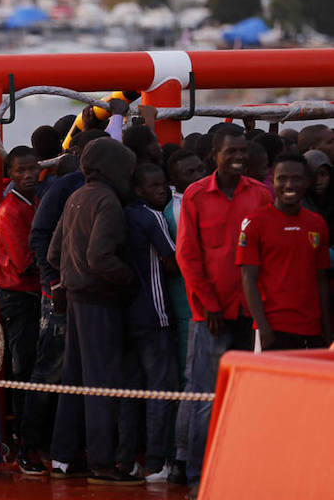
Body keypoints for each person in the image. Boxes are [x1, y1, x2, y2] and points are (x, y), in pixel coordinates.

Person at [176, 124, 272, 499]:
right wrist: (210, 305)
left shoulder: (261, 195)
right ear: (213, 156)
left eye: (242, 151)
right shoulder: (196, 196)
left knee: (242, 395)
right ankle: (199, 473)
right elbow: (188, 255)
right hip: (210, 315)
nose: (238, 157)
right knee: (204, 396)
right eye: (230, 151)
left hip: (251, 315)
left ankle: (236, 467)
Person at [47, 137, 141, 485]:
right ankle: (102, 463)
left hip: (74, 299)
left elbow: (54, 254)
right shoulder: (107, 200)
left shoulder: (75, 196)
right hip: (99, 301)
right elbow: (100, 257)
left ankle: (62, 458)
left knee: (73, 379)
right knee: (102, 381)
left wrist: (72, 276)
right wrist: (129, 279)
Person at [118, 163, 178, 481]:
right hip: (155, 314)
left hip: (126, 313)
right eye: (155, 186)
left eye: (163, 185)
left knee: (130, 391)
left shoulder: (121, 213)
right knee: (160, 388)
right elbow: (170, 261)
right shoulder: (152, 216)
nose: (163, 191)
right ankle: (156, 463)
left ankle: (126, 460)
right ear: (139, 189)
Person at [238, 153, 331, 350]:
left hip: (311, 330)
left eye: (296, 179)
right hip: (273, 329)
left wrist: (327, 328)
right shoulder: (255, 223)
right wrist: (263, 329)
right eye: (282, 178)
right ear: (273, 181)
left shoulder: (317, 223)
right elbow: (248, 278)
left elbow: (322, 278)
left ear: (307, 182)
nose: (289, 185)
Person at [0, 146, 43, 474]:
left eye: (32, 169)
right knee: (24, 370)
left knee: (34, 370)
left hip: (31, 297)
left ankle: (30, 440)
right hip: (18, 298)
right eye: (21, 170)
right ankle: (23, 445)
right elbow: (25, 263)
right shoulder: (11, 211)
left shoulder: (32, 203)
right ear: (10, 174)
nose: (28, 175)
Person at [162, 148, 206, 485]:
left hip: (195, 308)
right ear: (173, 180)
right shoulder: (176, 209)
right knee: (191, 379)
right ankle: (182, 456)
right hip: (189, 308)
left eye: (199, 169)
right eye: (188, 172)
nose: (196, 176)